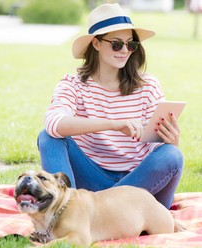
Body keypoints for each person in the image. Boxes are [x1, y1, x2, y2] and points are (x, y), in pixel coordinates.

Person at [37, 3, 183, 209]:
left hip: (139, 185)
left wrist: (170, 141)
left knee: (172, 155)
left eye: (130, 45)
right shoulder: (73, 84)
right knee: (48, 137)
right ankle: (72, 209)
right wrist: (113, 124)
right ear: (96, 44)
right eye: (116, 44)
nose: (125, 51)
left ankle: (95, 211)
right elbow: (54, 123)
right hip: (92, 181)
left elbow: (157, 149)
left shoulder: (148, 85)